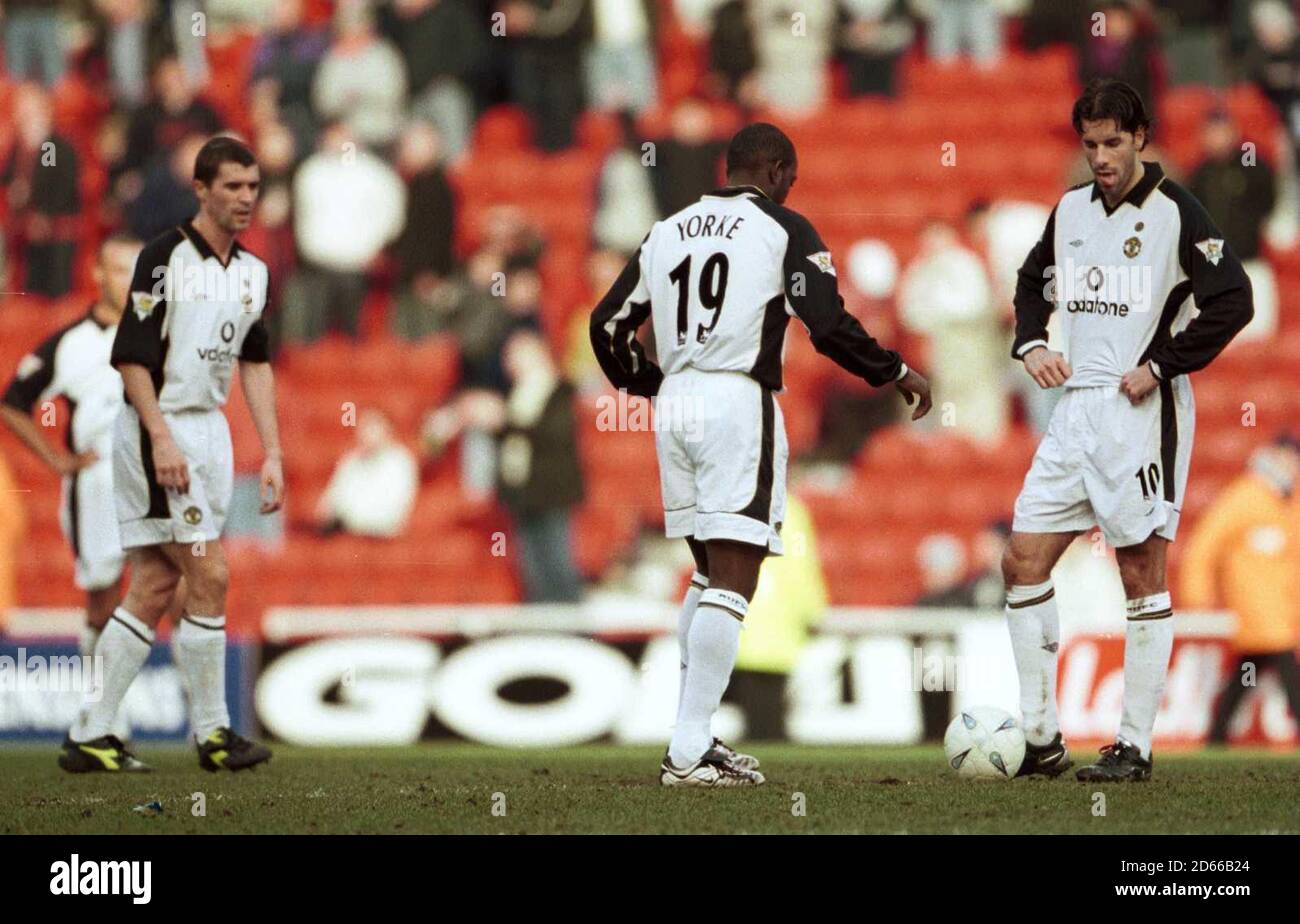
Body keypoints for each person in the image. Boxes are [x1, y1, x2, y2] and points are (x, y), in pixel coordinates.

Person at [590, 122, 932, 786]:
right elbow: (827, 322)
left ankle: (692, 738)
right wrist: (892, 371)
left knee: (705, 574)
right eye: (789, 180)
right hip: (735, 400)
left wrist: (648, 383)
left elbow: (607, 323)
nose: (789, 191)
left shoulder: (667, 229)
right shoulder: (783, 228)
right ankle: (688, 751)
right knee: (734, 580)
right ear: (775, 171)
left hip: (677, 403)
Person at [1003, 80, 1254, 782]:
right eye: (1090, 144)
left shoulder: (1178, 212)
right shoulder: (1070, 209)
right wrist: (1032, 344)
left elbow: (1234, 299)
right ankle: (1042, 738)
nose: (1102, 157)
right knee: (1021, 562)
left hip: (1143, 412)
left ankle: (1135, 746)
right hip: (1076, 409)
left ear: (1141, 137)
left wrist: (1162, 364)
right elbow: (1032, 284)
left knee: (1140, 571)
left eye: (1114, 142)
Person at [59, 137, 284, 774]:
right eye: (233, 186)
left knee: (157, 583)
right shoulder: (162, 258)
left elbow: (256, 362)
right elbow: (131, 354)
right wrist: (159, 436)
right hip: (158, 427)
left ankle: (90, 732)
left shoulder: (254, 273)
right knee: (209, 575)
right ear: (202, 190)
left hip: (209, 431)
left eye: (253, 187)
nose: (245, 198)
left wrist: (272, 452)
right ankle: (214, 733)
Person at [0, 233, 184, 743]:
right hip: (98, 484)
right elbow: (13, 402)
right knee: (104, 600)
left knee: (182, 585)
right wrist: (58, 460)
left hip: (154, 477)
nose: (131, 280)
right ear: (98, 276)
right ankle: (105, 714)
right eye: (120, 269)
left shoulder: (161, 335)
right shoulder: (70, 344)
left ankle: (206, 717)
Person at [1180, 434, 1300, 745]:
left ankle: (1216, 736)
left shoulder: (1287, 501)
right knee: (1287, 669)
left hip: (1280, 608)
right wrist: (1197, 593)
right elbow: (1205, 545)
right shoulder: (1244, 497)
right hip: (1257, 606)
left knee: (1247, 670)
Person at [315, 410, 418, 539]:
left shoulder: (401, 461)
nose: (366, 434)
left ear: (387, 430)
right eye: (364, 428)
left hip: (380, 534)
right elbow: (329, 502)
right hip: (345, 530)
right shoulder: (351, 460)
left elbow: (394, 511)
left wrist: (349, 518)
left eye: (372, 428)